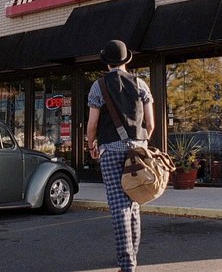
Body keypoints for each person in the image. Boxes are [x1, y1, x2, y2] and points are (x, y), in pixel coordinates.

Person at [86, 39, 155, 272]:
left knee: (118, 207)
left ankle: (127, 264)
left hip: (111, 151)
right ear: (127, 60)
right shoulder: (141, 84)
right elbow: (150, 124)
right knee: (133, 203)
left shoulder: (98, 86)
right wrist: (141, 143)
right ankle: (132, 255)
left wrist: (91, 144)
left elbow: (92, 124)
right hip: (137, 151)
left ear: (107, 63)